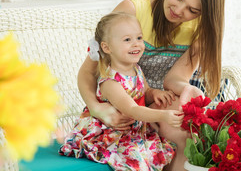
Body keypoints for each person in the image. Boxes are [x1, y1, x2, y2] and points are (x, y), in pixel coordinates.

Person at [78, 0, 225, 170]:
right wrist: (96, 108)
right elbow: (89, 71)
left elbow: (173, 80)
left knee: (185, 130)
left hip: (156, 96)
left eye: (192, 10)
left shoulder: (200, 28)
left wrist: (186, 88)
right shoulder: (132, 10)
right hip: (122, 101)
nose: (178, 10)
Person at [59, 12, 184, 170]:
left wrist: (154, 93)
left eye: (139, 38)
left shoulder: (136, 69)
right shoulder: (110, 82)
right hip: (113, 133)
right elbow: (132, 109)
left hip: (134, 128)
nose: (136, 44)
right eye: (127, 40)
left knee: (165, 150)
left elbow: (145, 91)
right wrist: (163, 115)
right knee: (138, 163)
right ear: (106, 47)